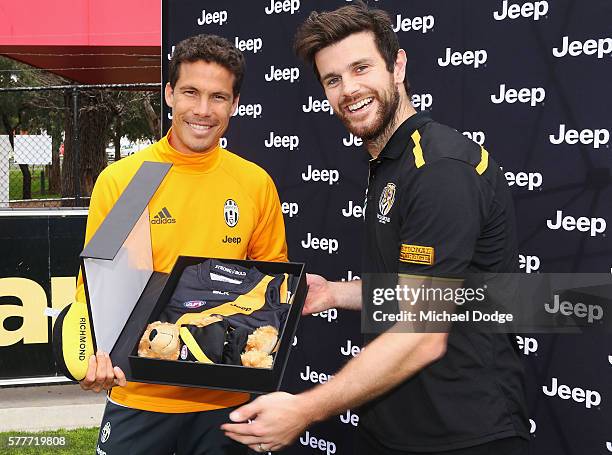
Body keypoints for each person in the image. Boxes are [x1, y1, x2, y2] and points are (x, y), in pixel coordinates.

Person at [221, 2, 529, 454]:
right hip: (393, 427)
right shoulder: (389, 162)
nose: (349, 89)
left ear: (398, 65)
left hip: (464, 435)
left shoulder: (439, 168)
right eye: (333, 79)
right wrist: (335, 295)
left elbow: (422, 334)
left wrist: (305, 410)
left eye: (361, 67)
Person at [76, 34, 287, 455]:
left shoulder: (254, 184)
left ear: (235, 104)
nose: (203, 110)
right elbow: (95, 292)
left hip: (225, 402)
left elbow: (272, 292)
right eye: (190, 92)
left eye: (218, 97)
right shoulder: (125, 181)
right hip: (140, 394)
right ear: (170, 94)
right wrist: (90, 355)